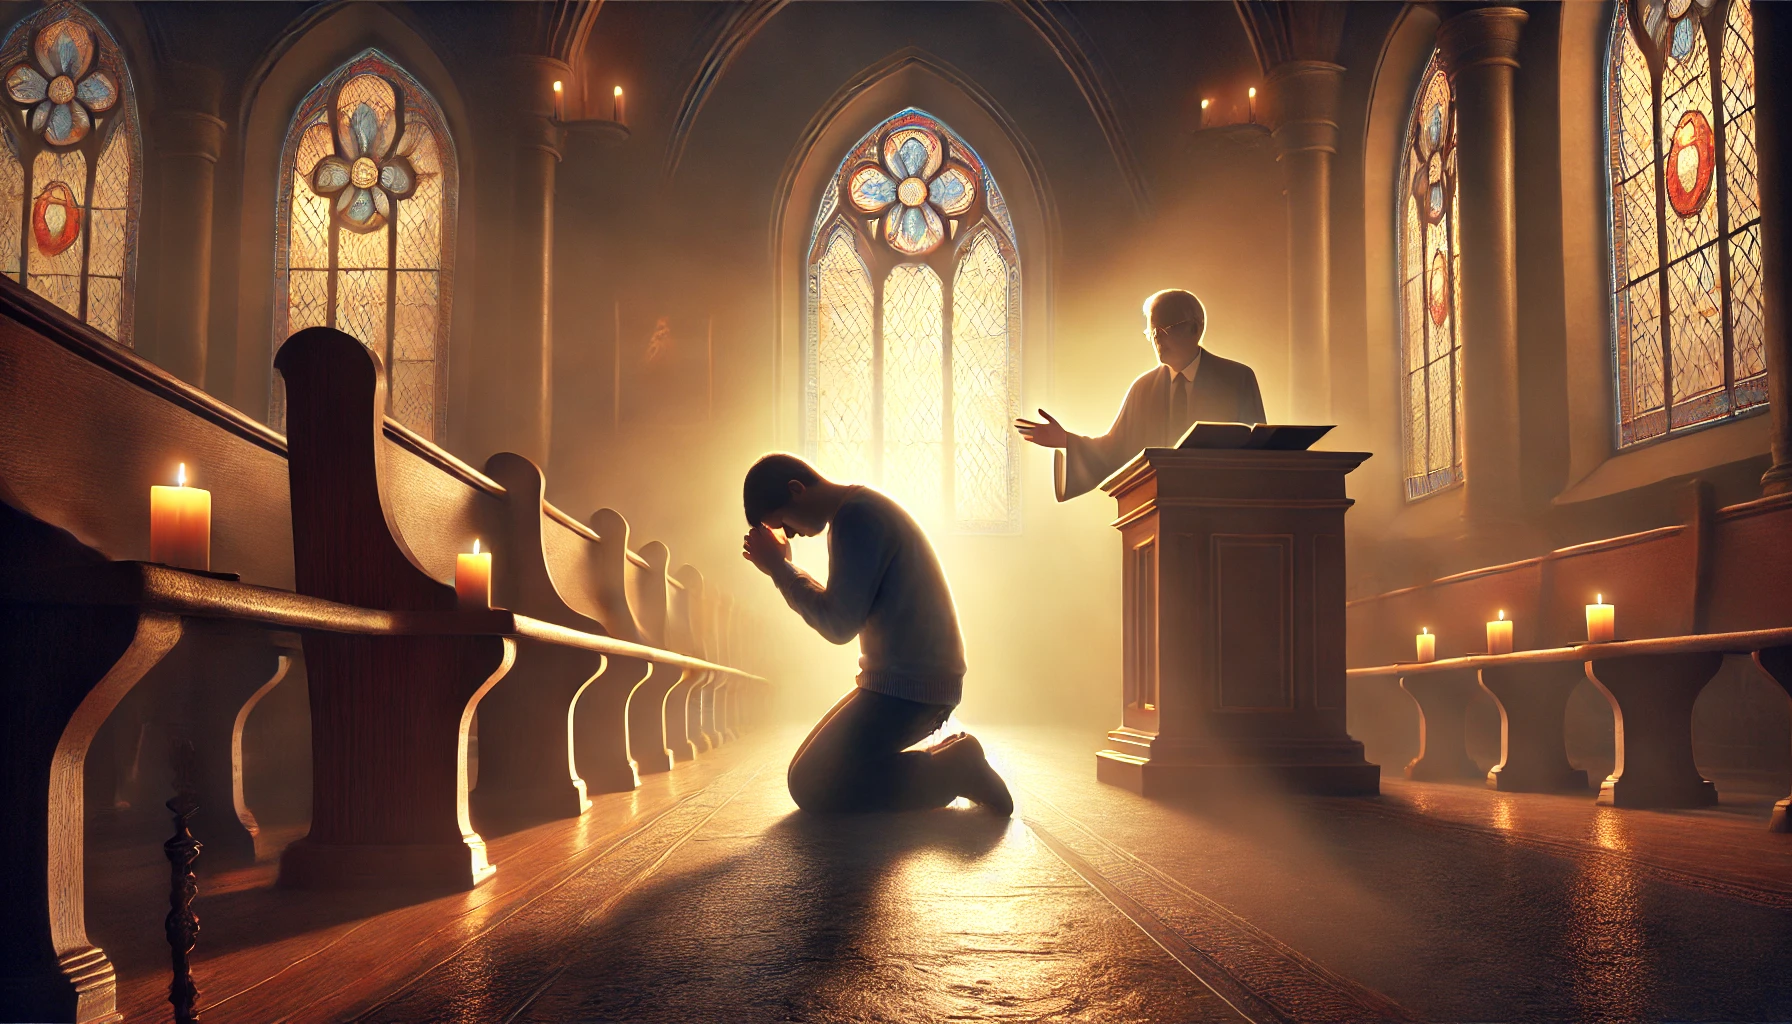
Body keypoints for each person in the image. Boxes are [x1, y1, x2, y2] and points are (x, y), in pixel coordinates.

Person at [740, 453, 1013, 816]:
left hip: (914, 689)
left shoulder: (856, 518)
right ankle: (948, 761)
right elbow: (843, 608)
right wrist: (784, 568)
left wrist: (779, 569)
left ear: (796, 489)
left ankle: (955, 771)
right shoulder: (854, 511)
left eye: (784, 524)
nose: (791, 535)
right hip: (900, 681)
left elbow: (838, 625)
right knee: (802, 773)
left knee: (809, 784)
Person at [1015, 288, 1266, 500]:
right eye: (1152, 333)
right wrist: (1067, 441)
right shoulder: (1143, 389)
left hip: (1223, 511)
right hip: (1159, 512)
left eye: (1163, 330)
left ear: (1194, 329)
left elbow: (1260, 456)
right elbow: (1114, 451)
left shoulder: (1235, 379)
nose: (1157, 341)